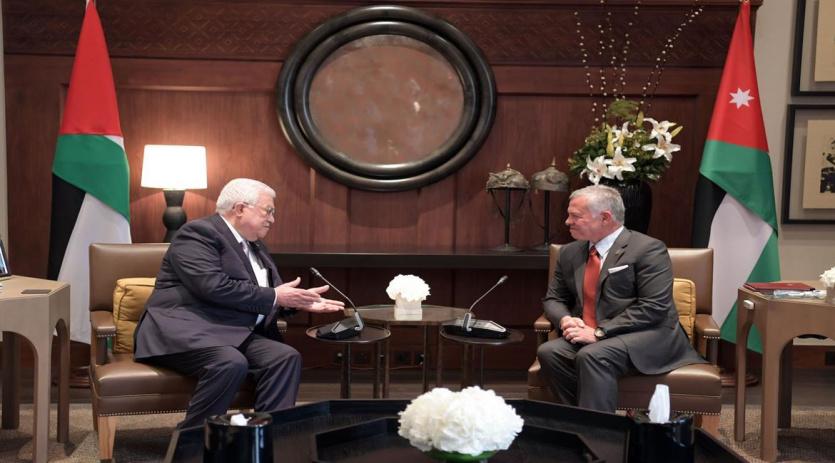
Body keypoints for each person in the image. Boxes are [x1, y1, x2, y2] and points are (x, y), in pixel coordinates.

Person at [134, 178, 344, 428]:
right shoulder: (197, 234)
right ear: (240, 208)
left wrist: (297, 302)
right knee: (229, 362)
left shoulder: (254, 244)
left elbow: (266, 293)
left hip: (230, 331)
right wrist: (277, 296)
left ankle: (266, 436)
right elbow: (214, 286)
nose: (272, 219)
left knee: (284, 357)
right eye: (268, 211)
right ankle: (195, 440)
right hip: (187, 330)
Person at [536, 185, 704, 412]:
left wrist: (599, 333)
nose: (568, 222)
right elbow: (553, 299)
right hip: (590, 333)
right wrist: (565, 320)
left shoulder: (648, 249)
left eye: (576, 216)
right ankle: (580, 422)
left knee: (593, 355)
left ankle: (600, 432)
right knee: (549, 352)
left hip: (644, 334)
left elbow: (654, 307)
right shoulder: (569, 253)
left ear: (605, 218)